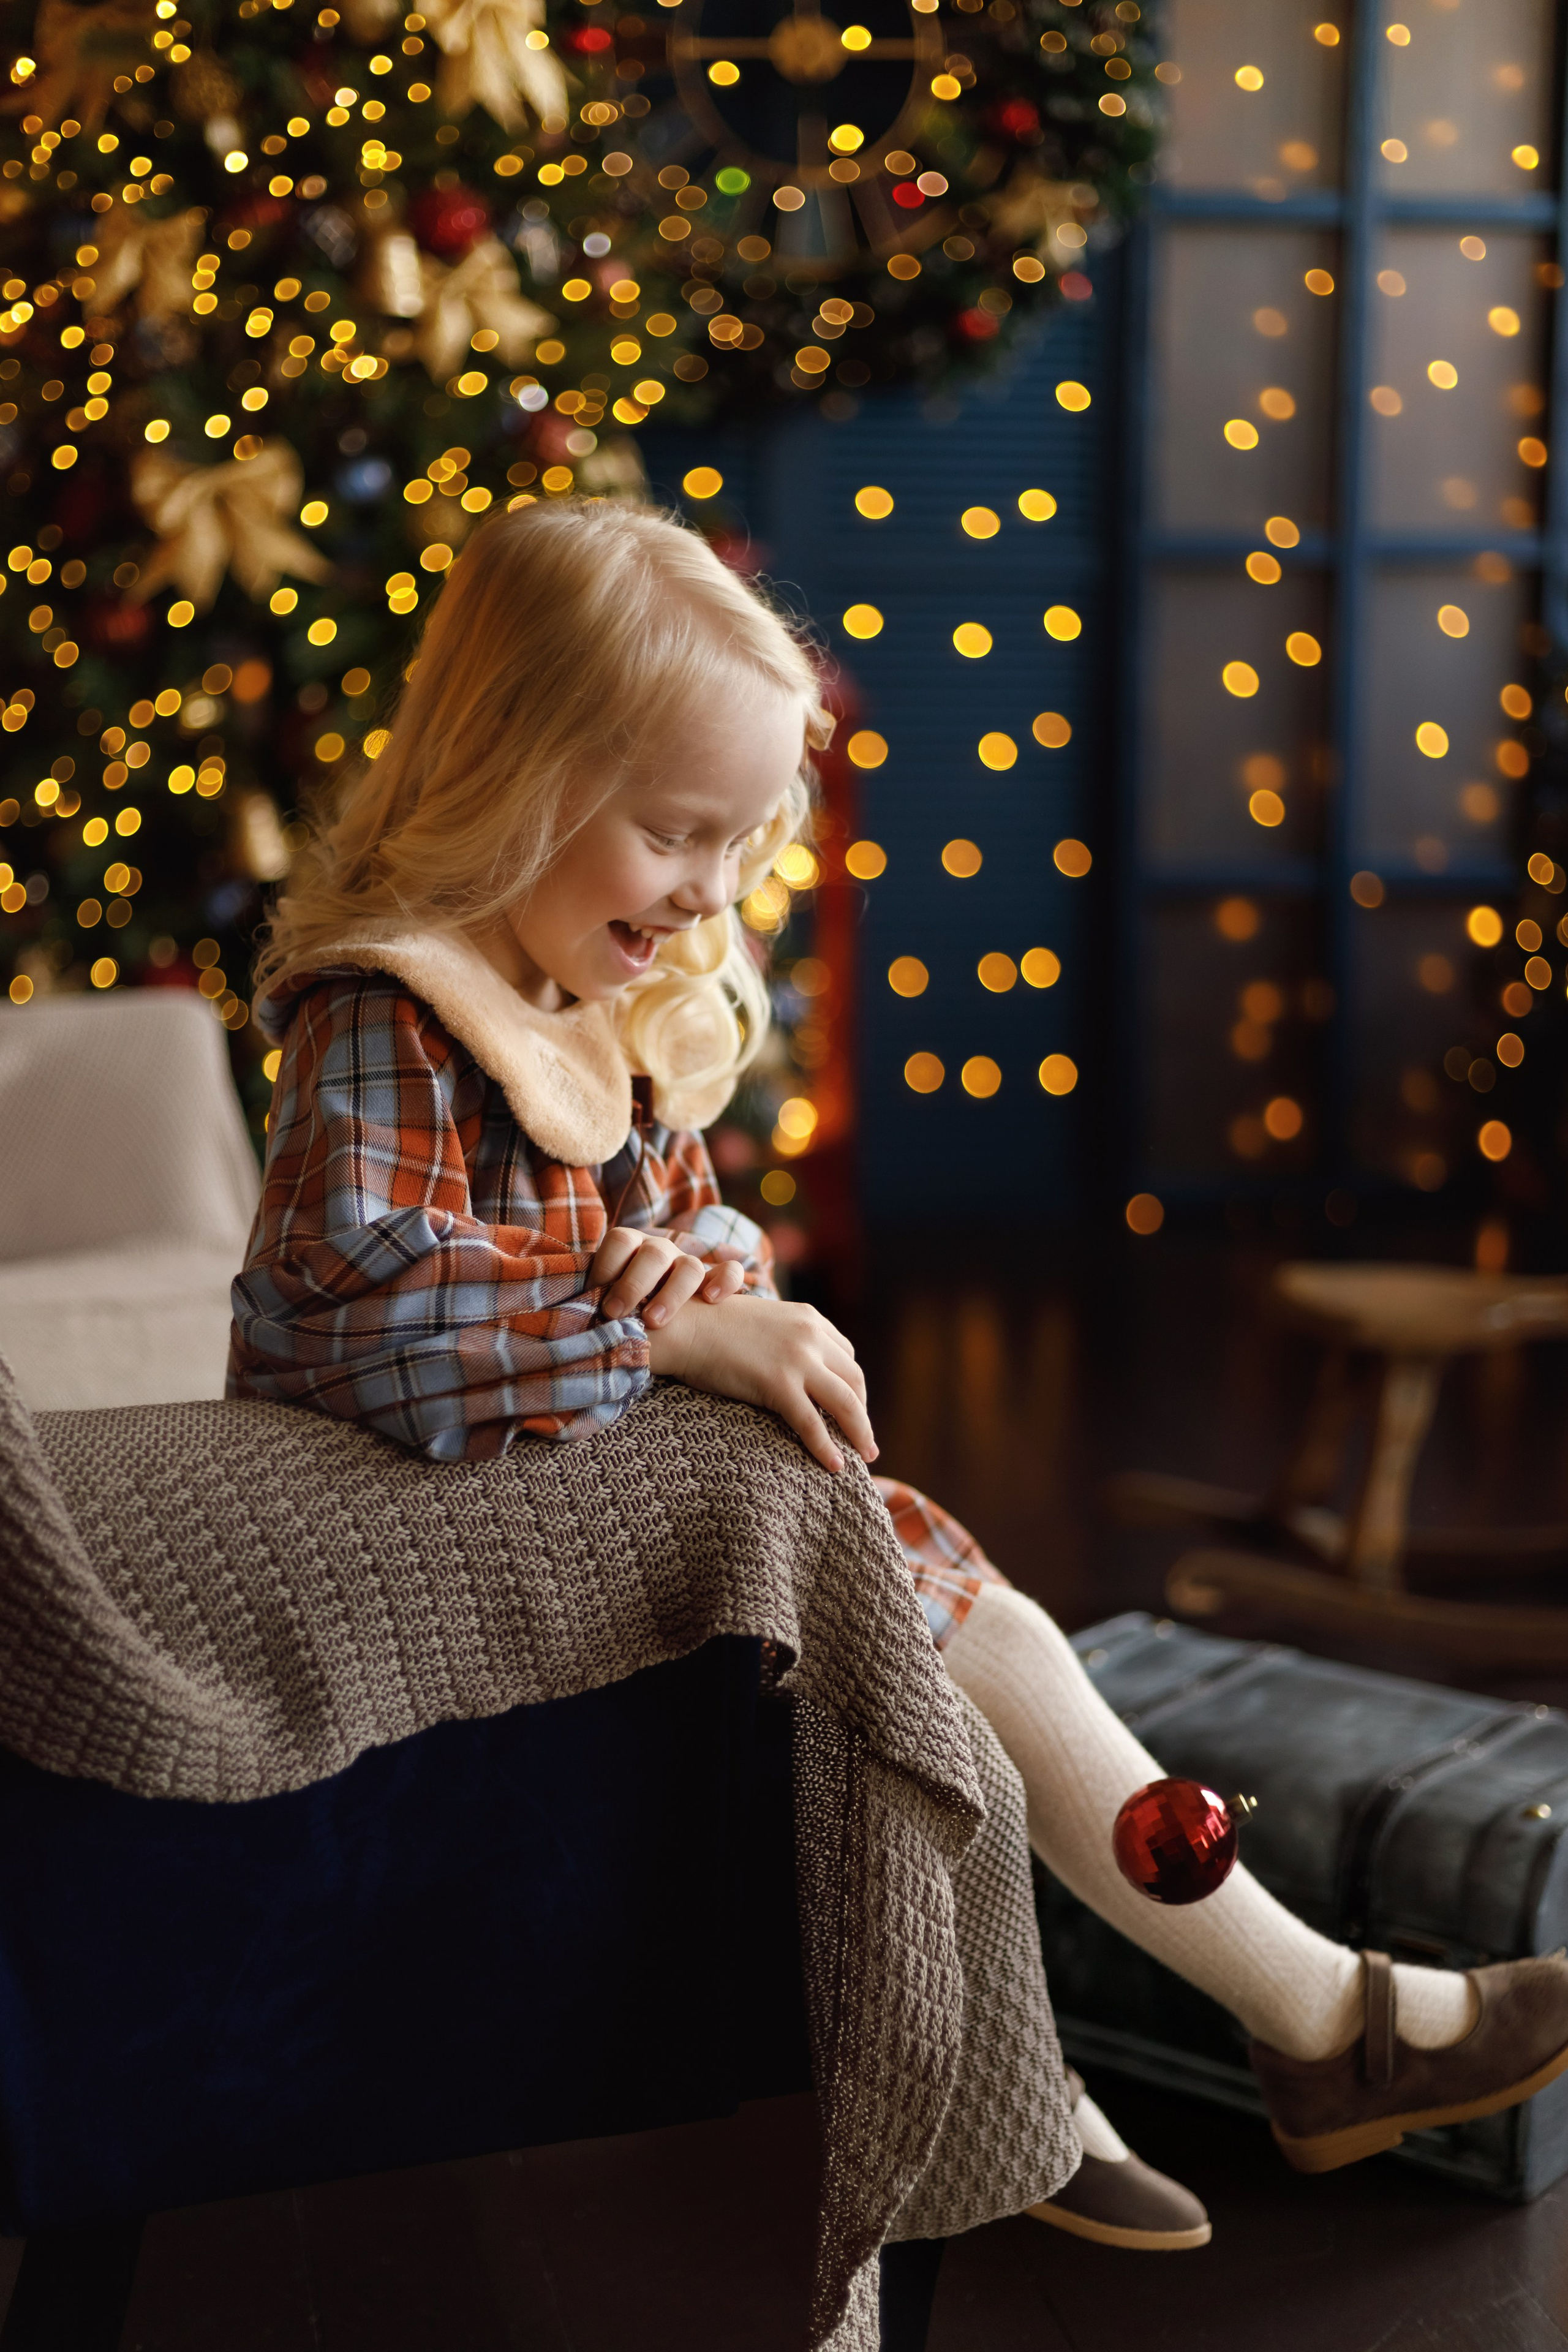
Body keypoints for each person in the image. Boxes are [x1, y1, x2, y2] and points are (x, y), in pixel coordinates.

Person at [233, 499, 1568, 2254]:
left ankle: (1238, 2035)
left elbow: (701, 1236)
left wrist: (692, 1283)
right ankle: (1263, 2029)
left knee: (914, 1601)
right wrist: (669, 1328)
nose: (711, 892)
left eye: (740, 841)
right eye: (672, 833)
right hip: (407, 1570)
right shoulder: (390, 1011)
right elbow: (374, 1327)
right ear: (515, 776)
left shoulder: (585, 1007)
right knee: (873, 1563)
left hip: (562, 1514)